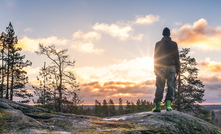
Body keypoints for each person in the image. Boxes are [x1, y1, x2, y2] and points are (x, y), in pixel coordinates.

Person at [153, 27, 180, 112]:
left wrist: (155, 69)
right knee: (171, 86)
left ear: (163, 34)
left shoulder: (158, 44)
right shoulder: (174, 44)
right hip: (172, 68)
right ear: (169, 34)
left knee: (160, 86)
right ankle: (168, 106)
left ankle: (158, 106)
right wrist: (177, 70)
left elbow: (156, 58)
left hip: (161, 68)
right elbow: (177, 58)